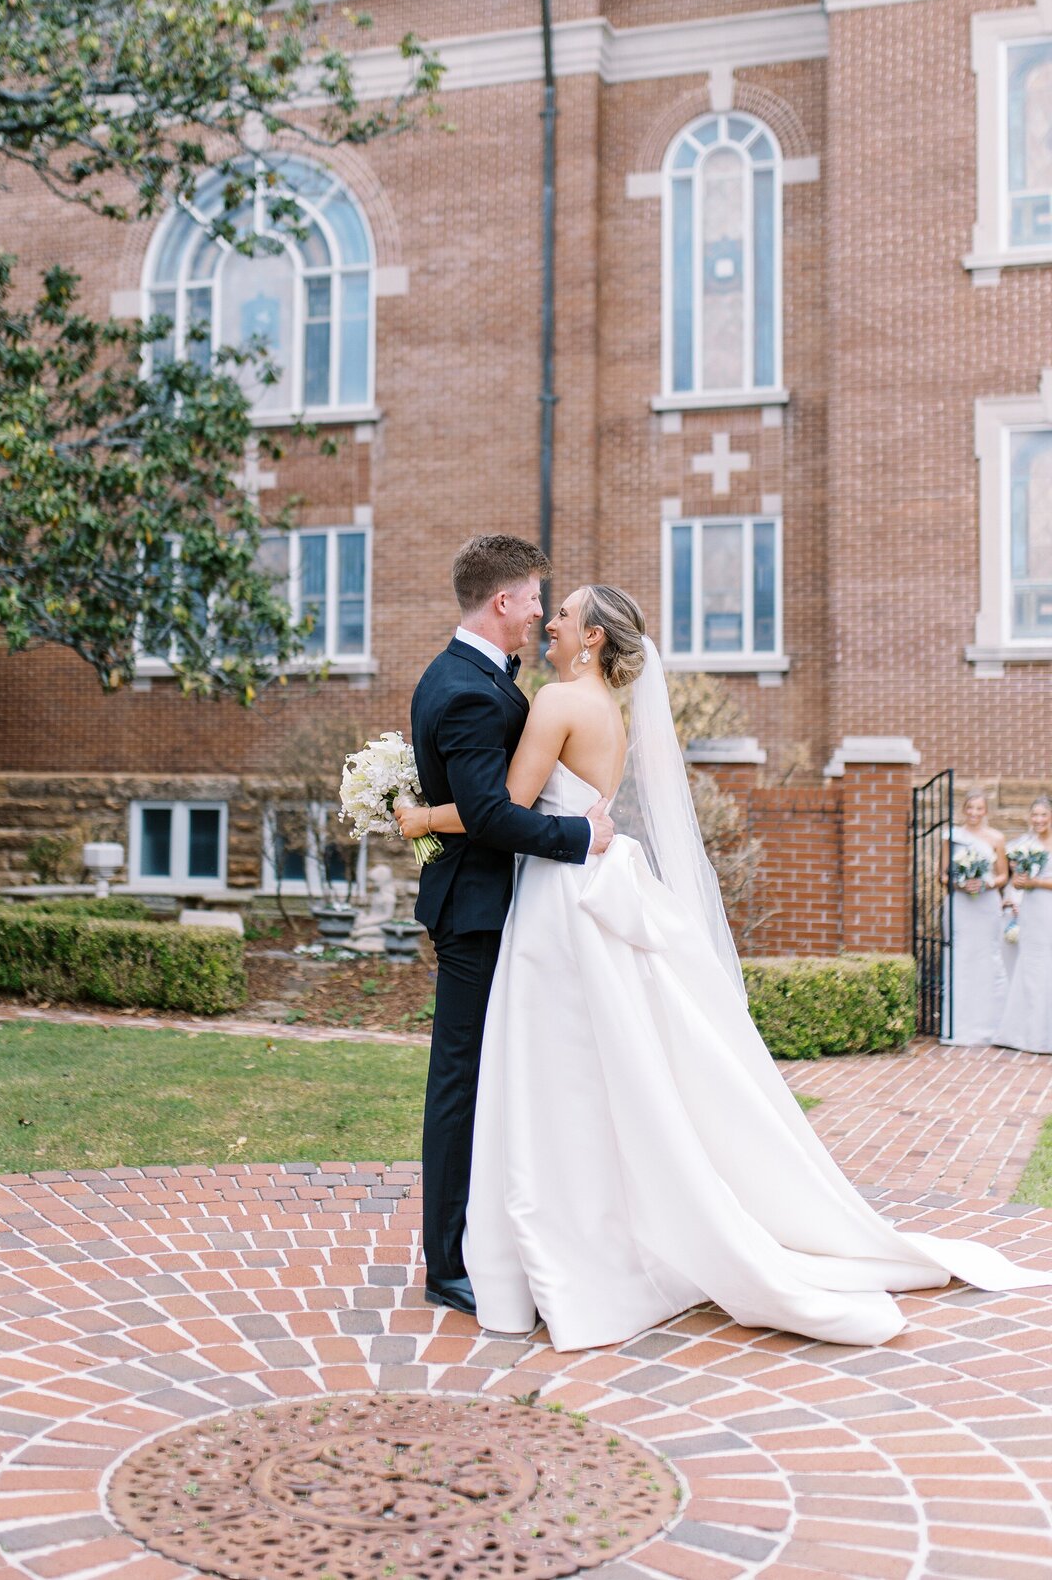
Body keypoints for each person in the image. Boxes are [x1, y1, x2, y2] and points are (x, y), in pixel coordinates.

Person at [399, 584, 1052, 1350]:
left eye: (566, 615)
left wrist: (420, 815)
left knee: (554, 1068)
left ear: (595, 639)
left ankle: (556, 1240)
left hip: (558, 898)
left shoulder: (555, 704)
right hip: (592, 885)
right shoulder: (607, 709)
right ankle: (587, 1232)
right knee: (599, 1066)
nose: (552, 621)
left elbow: (501, 807)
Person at [407, 535, 614, 1316]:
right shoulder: (463, 688)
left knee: (496, 1075)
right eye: (533, 597)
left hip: (505, 908)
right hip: (477, 913)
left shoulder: (481, 677)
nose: (538, 611)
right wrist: (578, 839)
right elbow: (493, 814)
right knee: (458, 1082)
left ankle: (490, 1233)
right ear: (503, 602)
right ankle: (447, 1261)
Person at [939, 790, 1009, 1044]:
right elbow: (942, 875)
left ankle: (991, 1025)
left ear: (986, 812)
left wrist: (987, 884)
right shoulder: (952, 837)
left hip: (986, 904)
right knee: (960, 956)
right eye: (970, 808)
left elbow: (1003, 875)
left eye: (979, 809)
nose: (974, 813)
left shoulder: (996, 838)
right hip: (960, 904)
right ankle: (956, 1026)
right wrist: (959, 883)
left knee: (988, 956)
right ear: (964, 810)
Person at [995, 797, 1052, 1055]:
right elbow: (1016, 882)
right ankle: (1027, 1034)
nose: (1038, 820)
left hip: (1048, 908)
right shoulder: (1024, 845)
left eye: (1043, 815)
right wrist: (1018, 886)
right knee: (1031, 966)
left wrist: (1035, 883)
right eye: (1035, 815)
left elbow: (1036, 882)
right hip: (1032, 912)